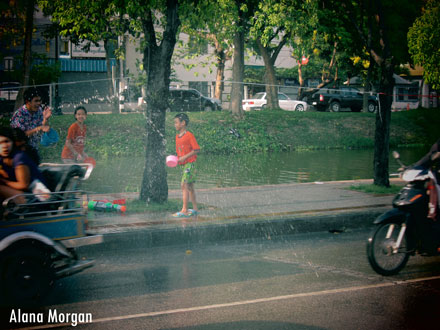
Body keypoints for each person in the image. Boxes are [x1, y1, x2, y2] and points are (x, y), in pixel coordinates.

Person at [0, 127, 48, 204]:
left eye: (6, 141)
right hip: (19, 192)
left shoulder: (19, 157)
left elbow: (23, 185)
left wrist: (4, 181)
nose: (4, 146)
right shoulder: (3, 158)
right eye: (0, 143)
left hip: (35, 195)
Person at [173, 113, 200, 218]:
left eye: (176, 122)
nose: (175, 125)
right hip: (184, 164)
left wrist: (184, 157)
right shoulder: (177, 136)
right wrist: (177, 159)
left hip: (191, 164)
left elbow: (196, 149)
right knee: (190, 187)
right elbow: (180, 151)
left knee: (184, 185)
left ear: (183, 123)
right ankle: (195, 209)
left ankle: (184, 210)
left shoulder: (189, 135)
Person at [10, 87, 52, 156]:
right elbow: (20, 136)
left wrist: (45, 119)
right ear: (28, 102)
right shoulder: (19, 114)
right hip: (20, 151)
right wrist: (38, 129)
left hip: (33, 150)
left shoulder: (39, 111)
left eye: (40, 100)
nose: (39, 103)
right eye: (36, 101)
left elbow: (42, 130)